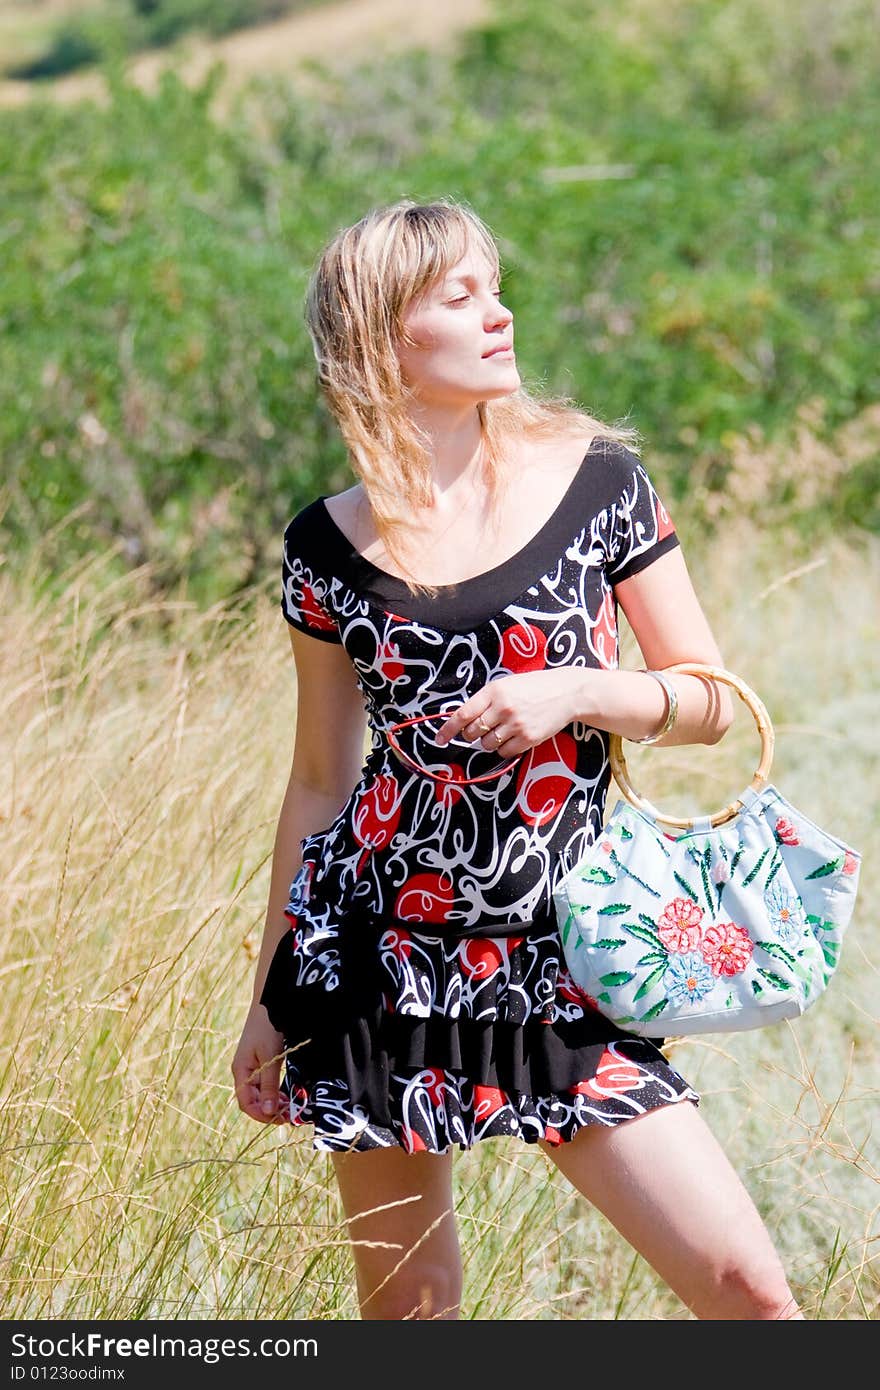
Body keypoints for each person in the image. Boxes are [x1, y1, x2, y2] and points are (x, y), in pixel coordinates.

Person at [231, 198, 803, 1321]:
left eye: (494, 289)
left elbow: (708, 702)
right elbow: (318, 781)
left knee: (747, 1289)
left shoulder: (597, 482)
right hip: (375, 960)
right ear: (386, 335)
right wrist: (267, 998)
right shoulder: (323, 548)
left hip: (561, 957)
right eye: (461, 298)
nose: (500, 317)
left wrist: (580, 690)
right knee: (413, 1309)